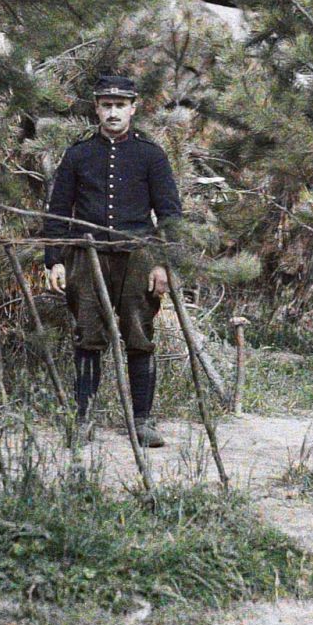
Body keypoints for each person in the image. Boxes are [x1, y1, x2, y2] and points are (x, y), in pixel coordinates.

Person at [38, 73, 181, 447]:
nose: (113, 112)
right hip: (87, 257)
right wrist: (53, 259)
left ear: (133, 108)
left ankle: (143, 421)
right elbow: (58, 210)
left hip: (138, 257)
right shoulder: (79, 153)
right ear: (96, 109)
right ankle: (84, 419)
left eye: (120, 105)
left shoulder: (150, 155)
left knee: (139, 336)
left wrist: (164, 264)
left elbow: (169, 214)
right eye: (106, 105)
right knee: (88, 335)